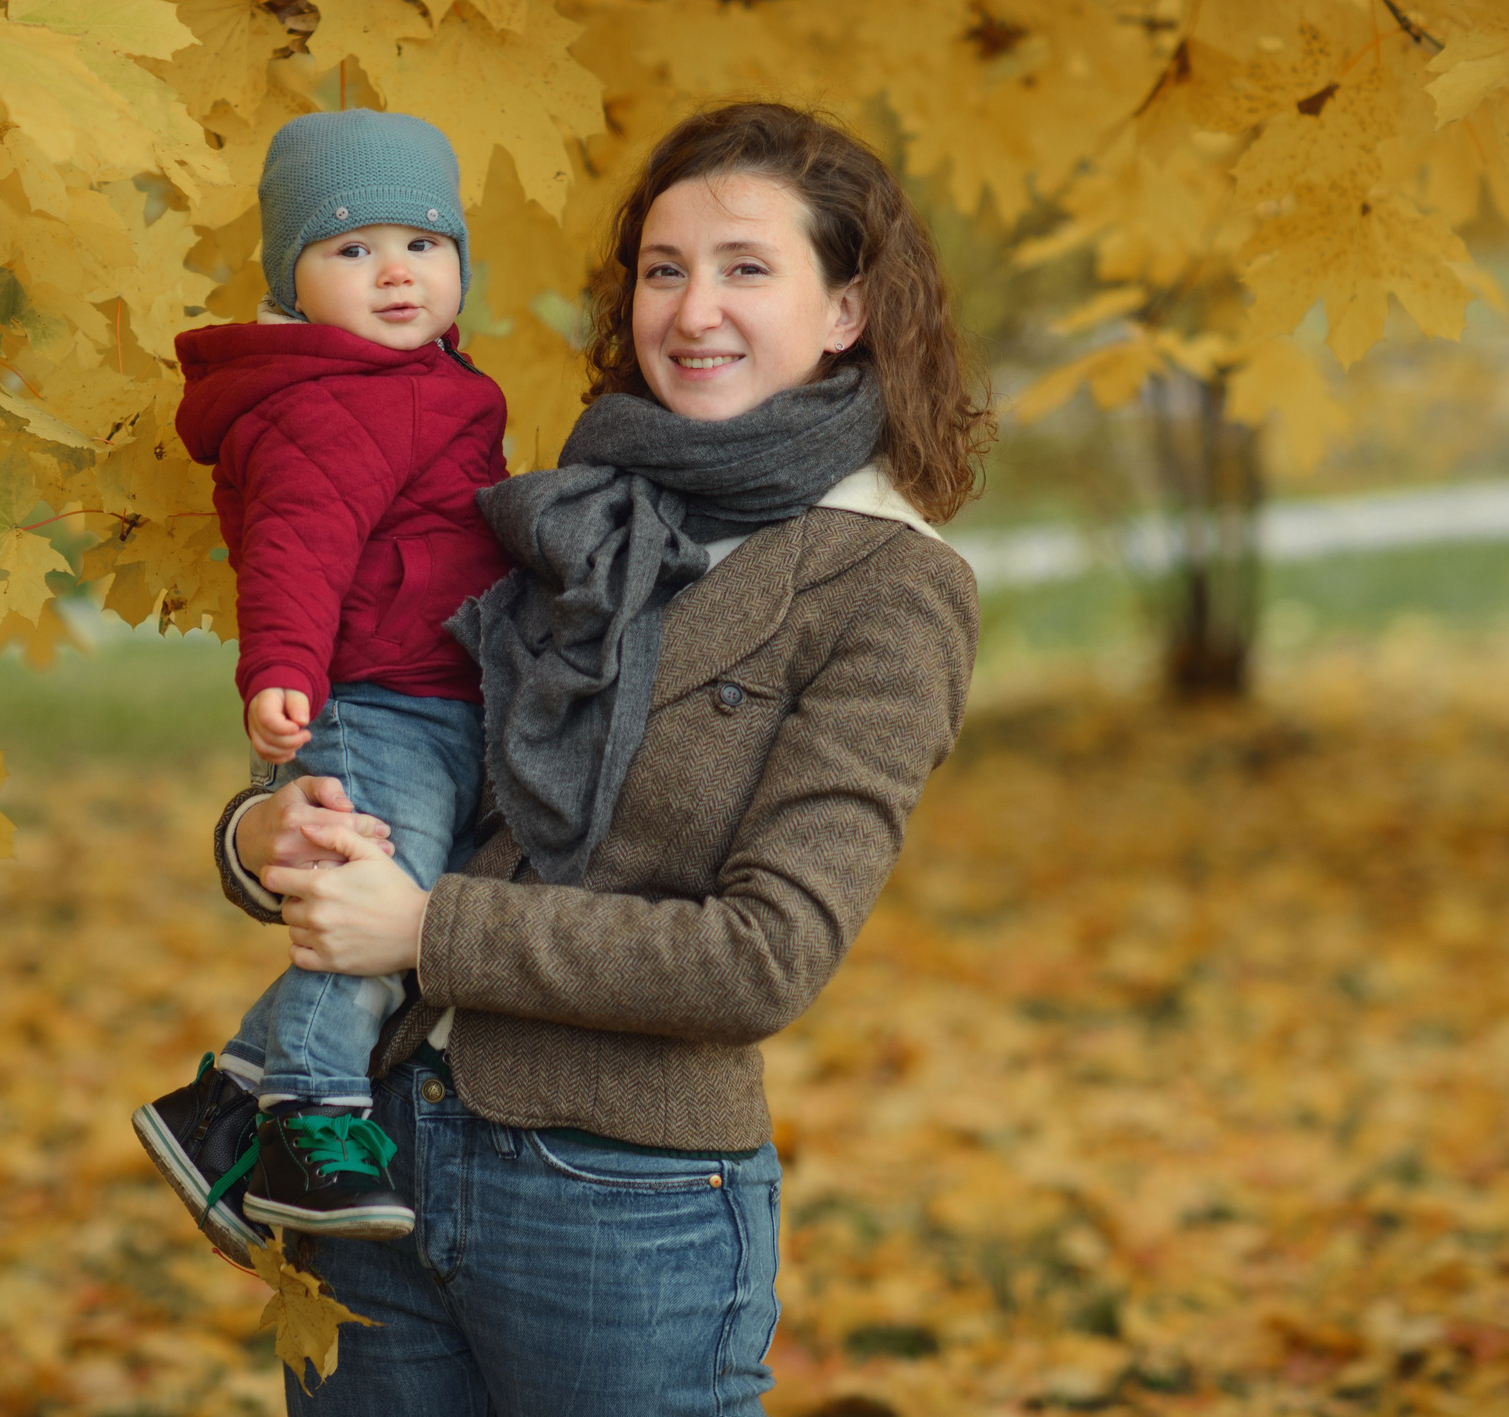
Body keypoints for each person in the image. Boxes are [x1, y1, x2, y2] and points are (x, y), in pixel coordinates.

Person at [212, 102, 993, 1416]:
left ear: (847, 310)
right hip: (373, 1157)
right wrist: (257, 839)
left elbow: (764, 954)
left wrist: (426, 929)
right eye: (665, 268)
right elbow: (410, 746)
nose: (693, 311)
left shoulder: (885, 585)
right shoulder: (571, 505)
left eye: (748, 268)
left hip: (615, 1203)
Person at [133, 109, 514, 1260]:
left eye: (424, 244)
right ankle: (306, 1112)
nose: (396, 270)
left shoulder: (432, 383)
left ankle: (220, 1111)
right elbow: (297, 544)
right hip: (367, 698)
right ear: (291, 282)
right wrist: (284, 673)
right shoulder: (332, 398)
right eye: (352, 248)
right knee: (368, 906)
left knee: (400, 899)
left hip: (437, 693)